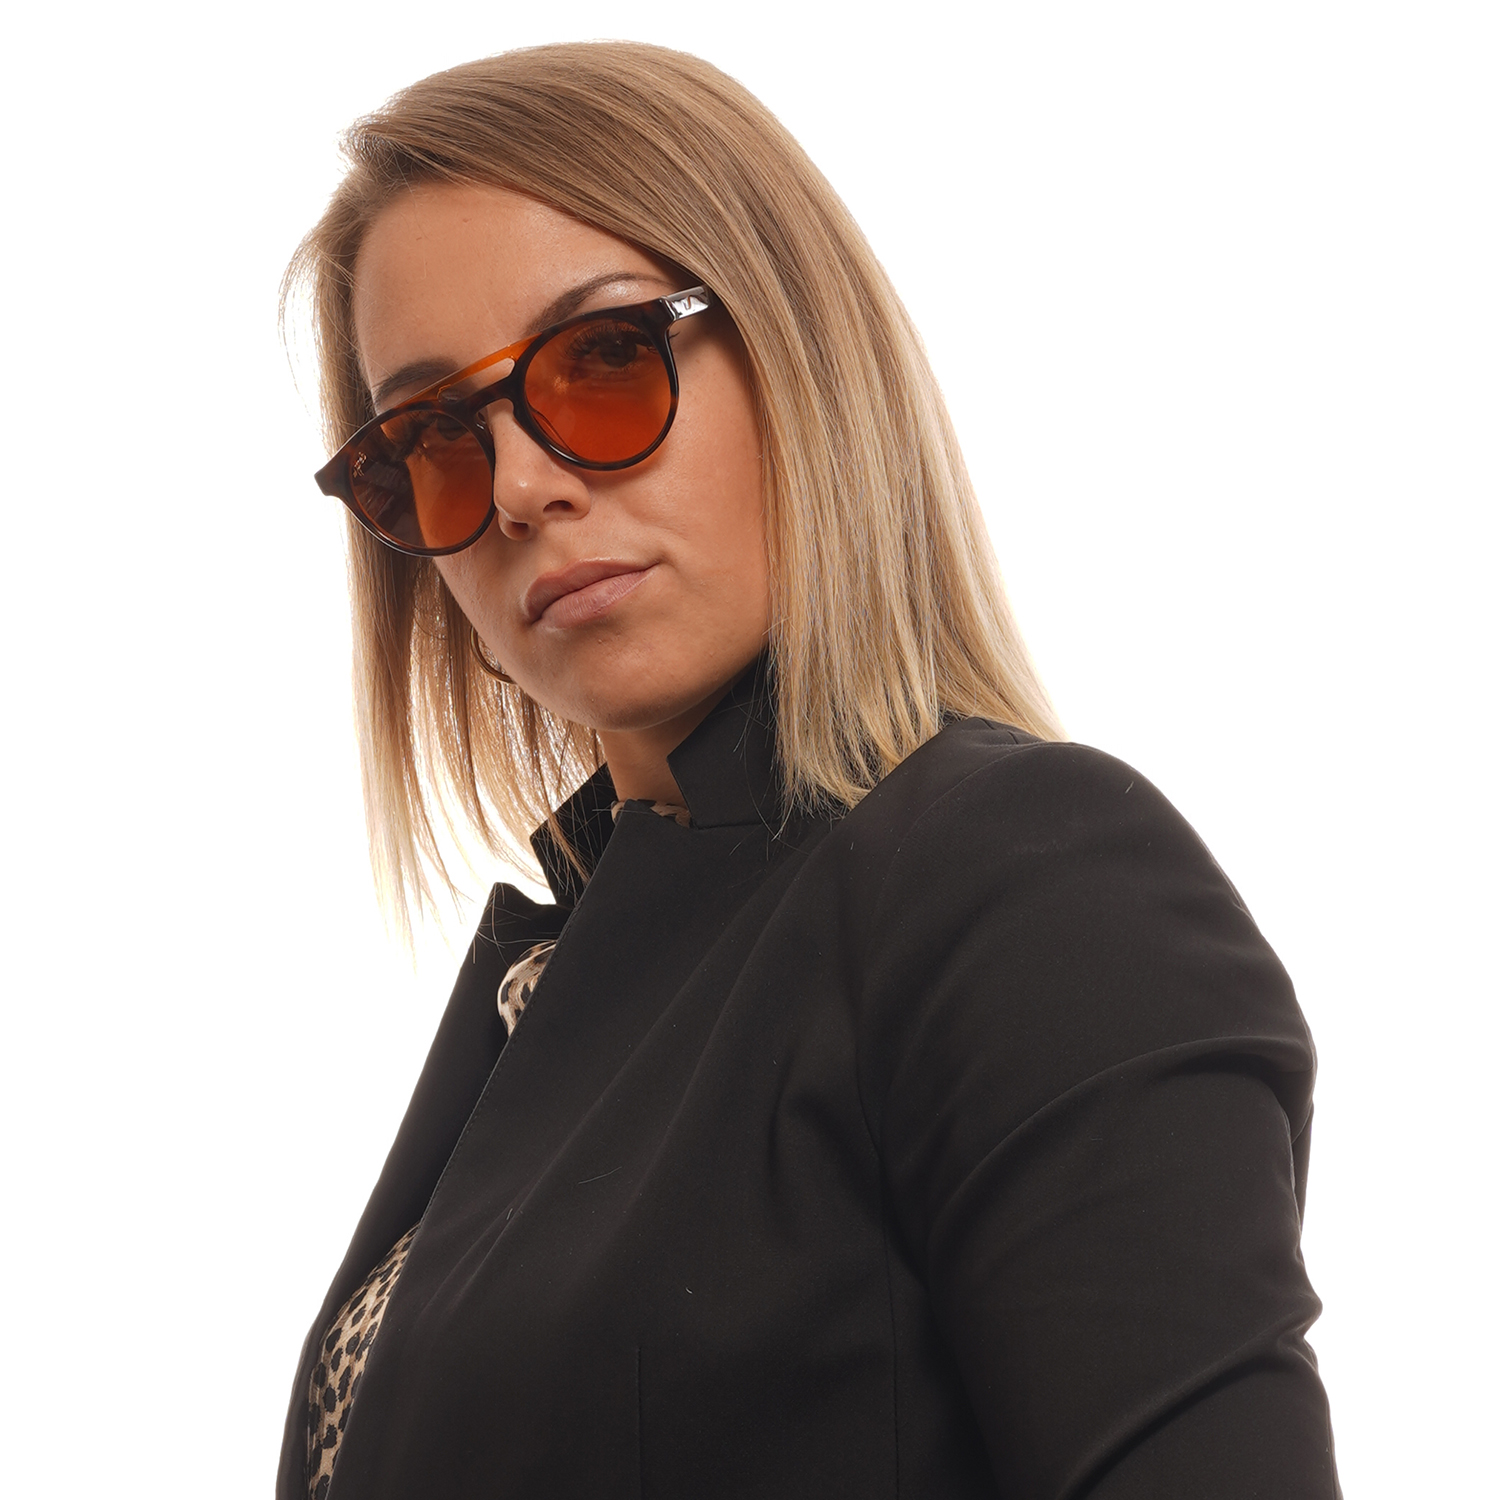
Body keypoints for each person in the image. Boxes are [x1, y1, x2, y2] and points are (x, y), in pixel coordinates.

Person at [278, 41, 1340, 1500]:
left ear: (798, 354)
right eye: (435, 438)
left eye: (604, 360)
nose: (521, 487)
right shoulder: (558, 981)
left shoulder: (1029, 884)